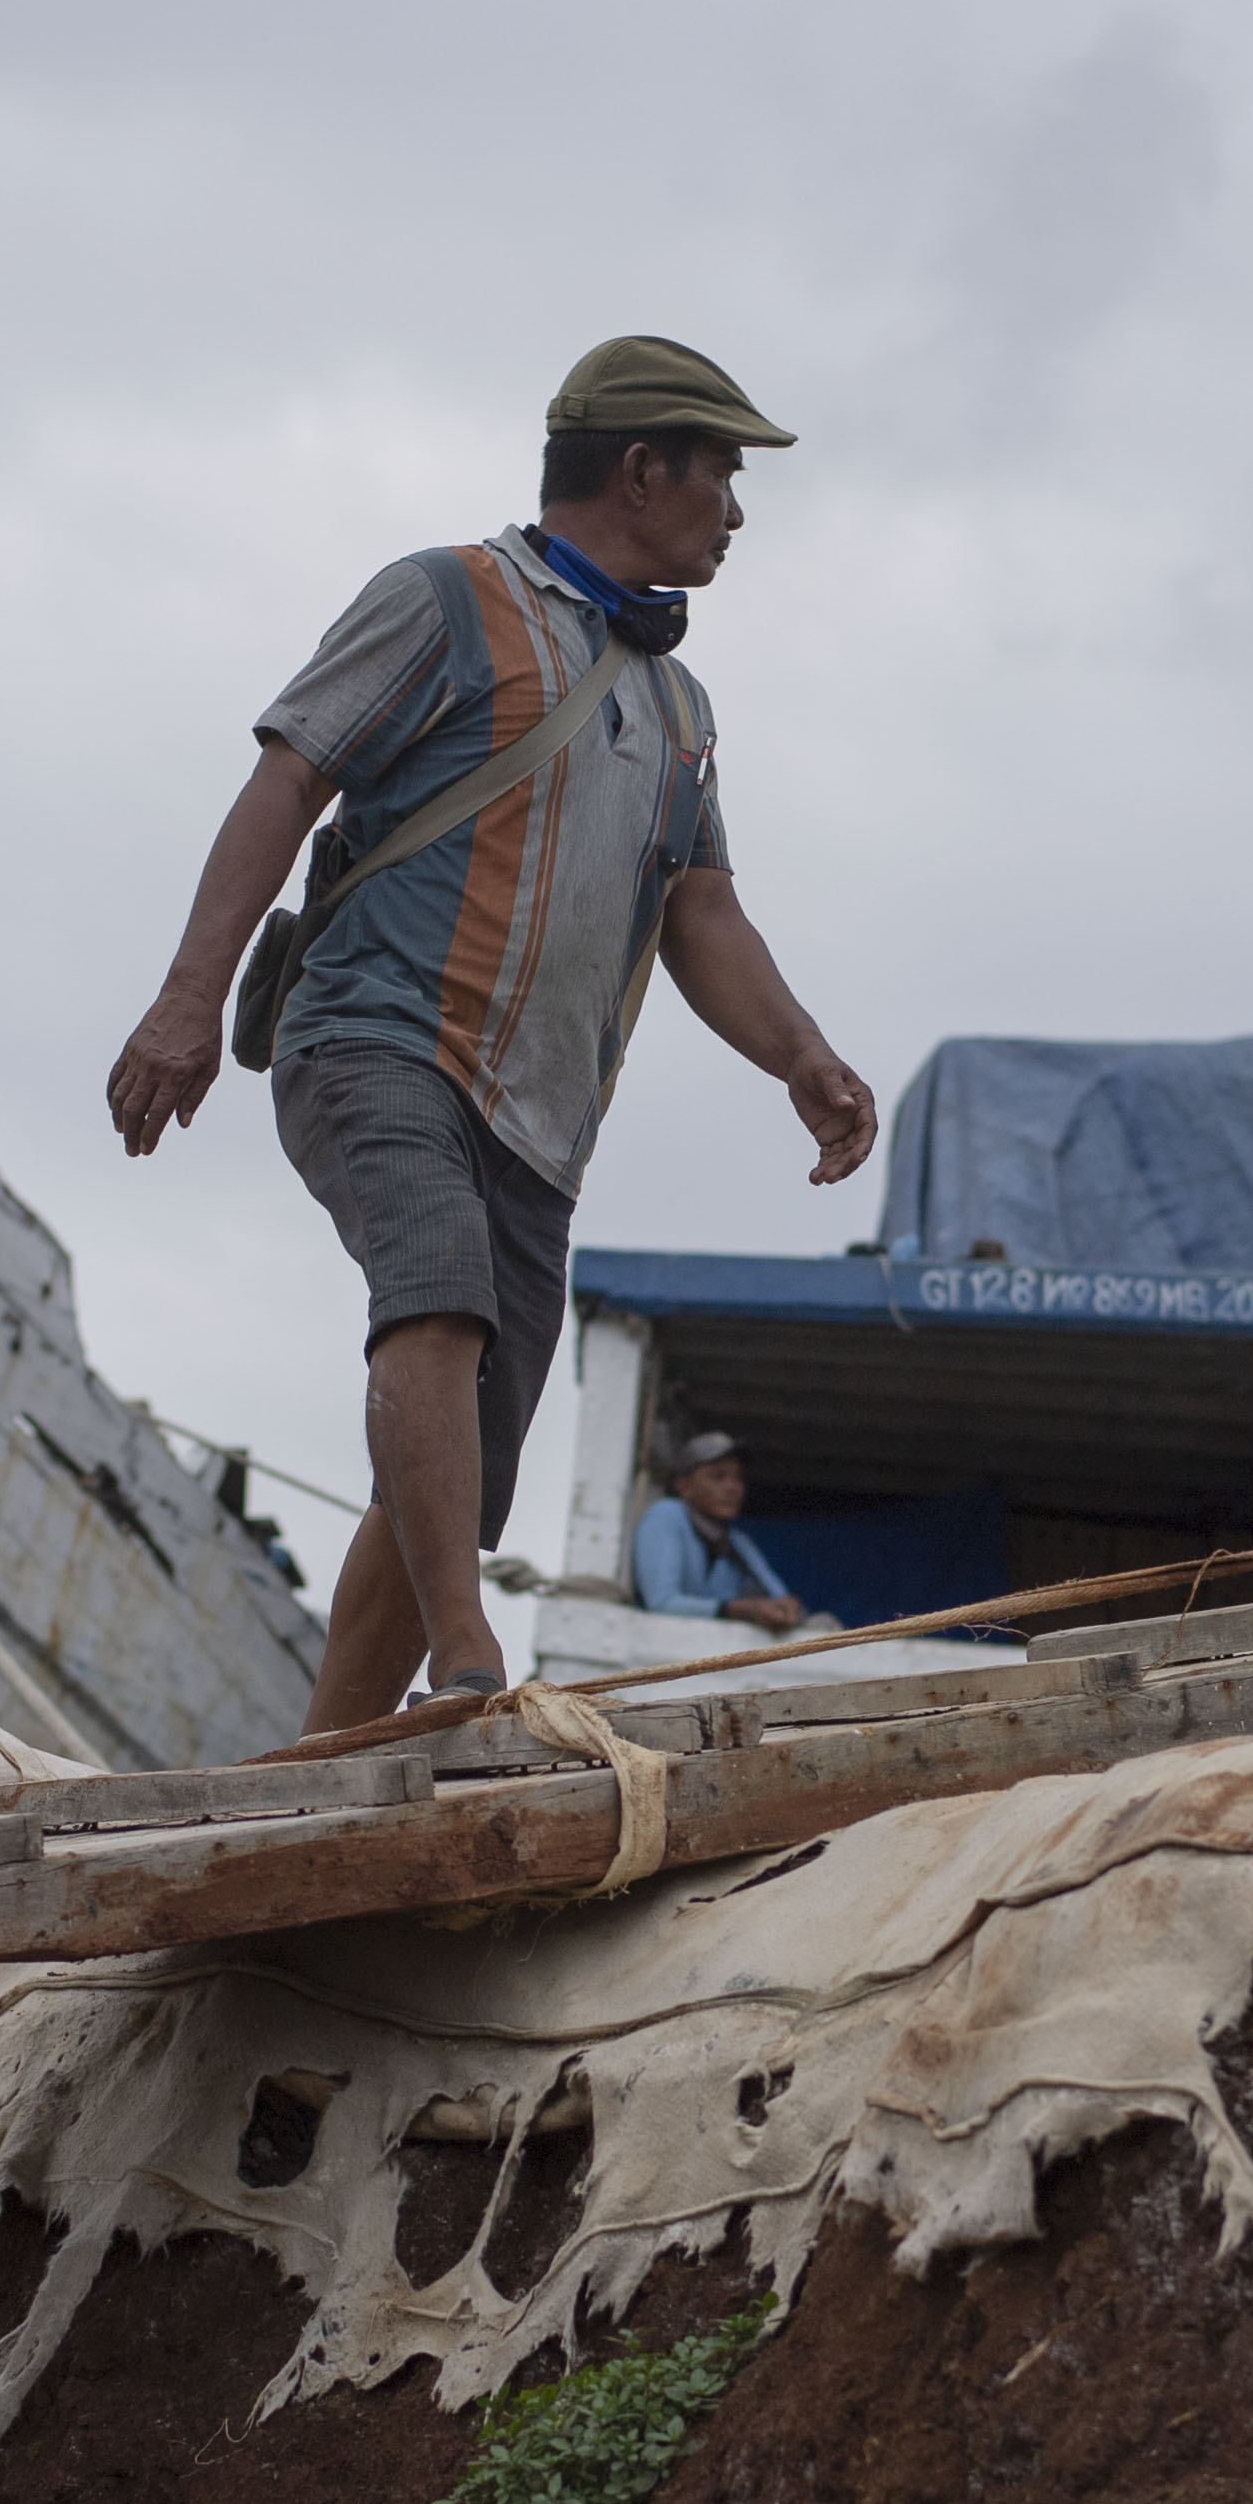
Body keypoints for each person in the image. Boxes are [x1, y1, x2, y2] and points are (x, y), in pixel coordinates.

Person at [104, 337, 880, 1732]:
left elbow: (704, 916)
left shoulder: (678, 705)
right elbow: (285, 785)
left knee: (479, 1452)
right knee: (437, 1292)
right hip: (376, 1037)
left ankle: (326, 1751)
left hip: (536, 1121)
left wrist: (803, 1057)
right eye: (723, 475)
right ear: (643, 471)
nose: (739, 512)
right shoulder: (444, 600)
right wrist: (186, 1001)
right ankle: (469, 1662)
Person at [631, 1432, 817, 1632]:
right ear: (684, 1486)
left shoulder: (738, 1541)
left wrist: (788, 1610)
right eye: (718, 1476)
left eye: (738, 1477)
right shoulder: (667, 1515)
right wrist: (737, 1610)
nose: (732, 1487)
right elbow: (661, 1602)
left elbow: (779, 1597)